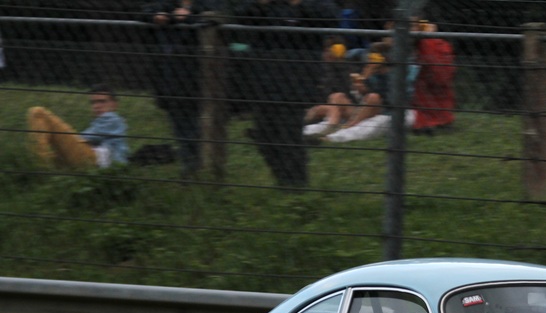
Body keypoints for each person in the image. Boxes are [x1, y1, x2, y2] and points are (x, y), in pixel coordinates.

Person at [236, 0, 339, 188]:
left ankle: (297, 185)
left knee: (288, 133)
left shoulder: (315, 6)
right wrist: (262, 5)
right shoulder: (270, 6)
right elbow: (242, 15)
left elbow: (331, 18)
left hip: (296, 79)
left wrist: (298, 4)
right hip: (263, 77)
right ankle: (283, 179)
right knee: (264, 134)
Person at [141, 1, 222, 177]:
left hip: (197, 76)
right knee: (179, 123)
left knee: (195, 123)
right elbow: (145, 12)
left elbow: (215, 17)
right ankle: (189, 163)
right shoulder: (167, 4)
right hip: (169, 77)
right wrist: (159, 17)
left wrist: (189, 16)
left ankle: (198, 163)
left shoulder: (205, 5)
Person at [27, 85, 129, 169]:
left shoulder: (112, 118)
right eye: (93, 102)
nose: (96, 106)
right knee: (53, 157)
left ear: (115, 104)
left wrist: (65, 138)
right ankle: (41, 162)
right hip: (93, 161)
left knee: (38, 112)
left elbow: (83, 138)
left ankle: (39, 162)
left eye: (102, 101)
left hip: (93, 160)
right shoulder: (106, 122)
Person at [411, 19, 456, 134]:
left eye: (415, 26)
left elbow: (440, 77)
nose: (411, 30)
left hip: (431, 109)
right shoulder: (396, 47)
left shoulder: (437, 46)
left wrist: (429, 40)